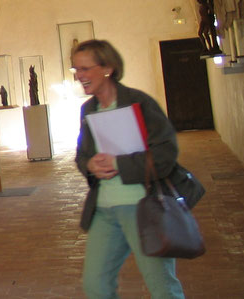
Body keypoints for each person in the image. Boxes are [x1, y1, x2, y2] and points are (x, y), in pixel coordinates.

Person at [72, 39, 186, 298]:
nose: (79, 76)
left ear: (107, 68)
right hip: (104, 210)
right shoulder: (88, 110)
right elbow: (82, 155)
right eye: (76, 70)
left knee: (162, 288)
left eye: (85, 69)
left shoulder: (140, 103)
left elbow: (165, 154)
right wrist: (89, 164)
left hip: (144, 208)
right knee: (96, 286)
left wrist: (118, 164)